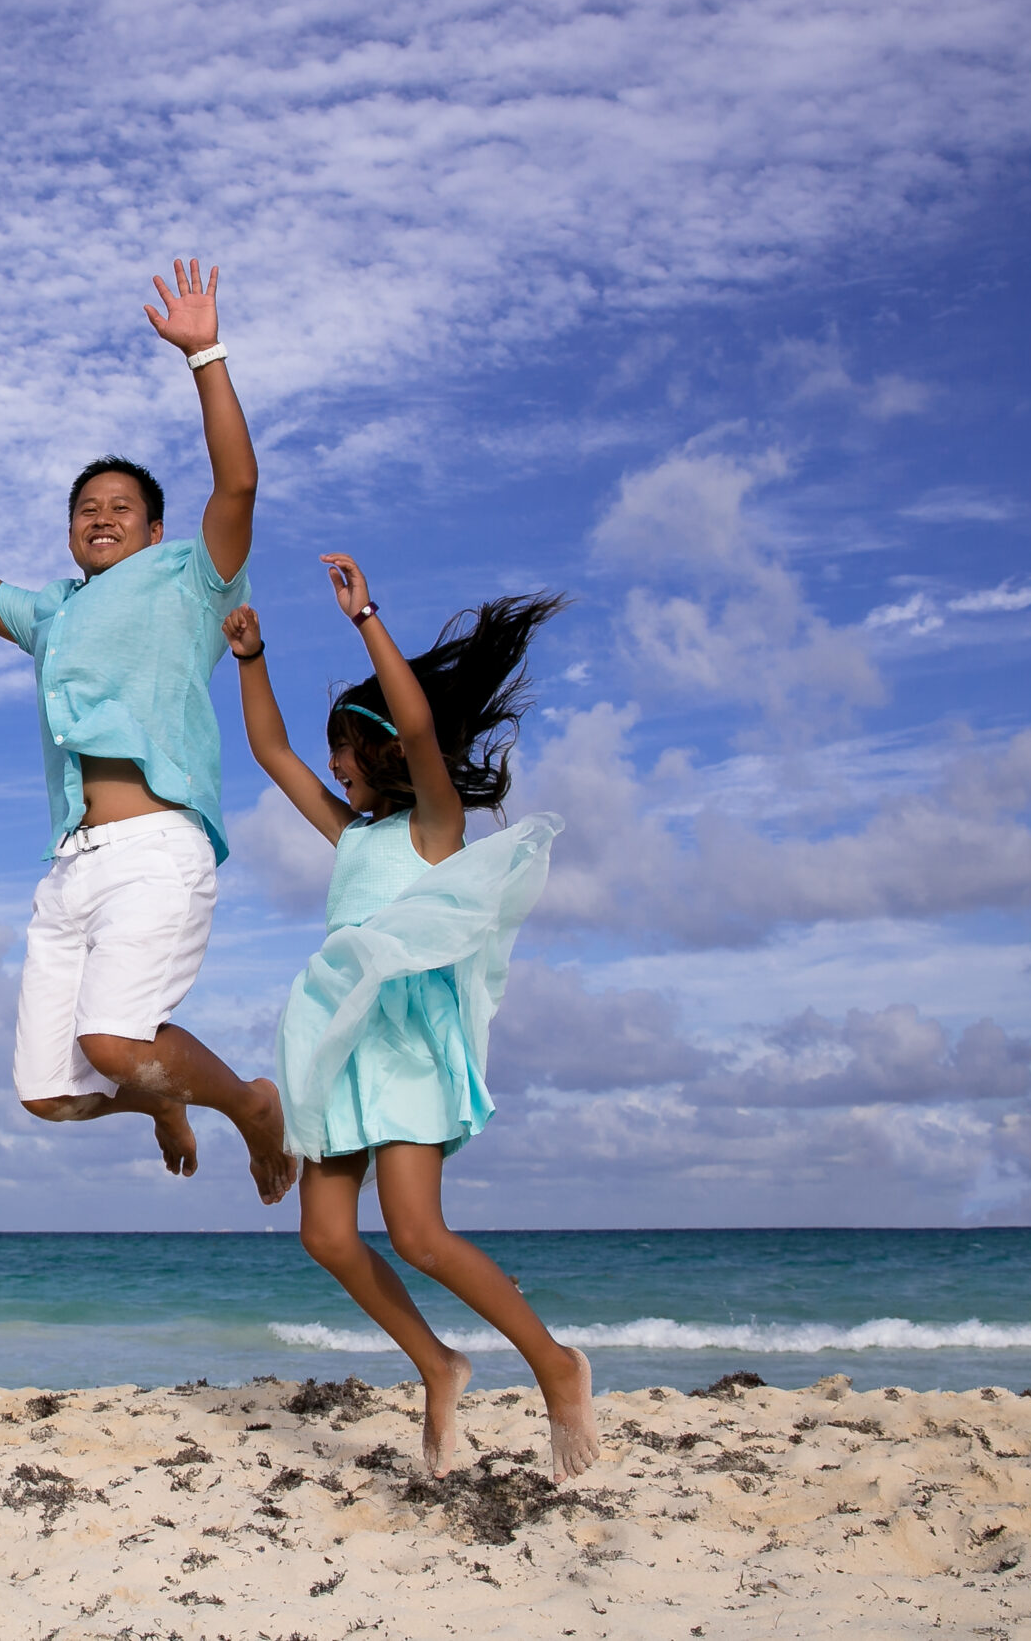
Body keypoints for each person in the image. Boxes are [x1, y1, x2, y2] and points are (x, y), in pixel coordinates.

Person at [0, 260, 293, 1204]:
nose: (102, 516)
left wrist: (207, 356)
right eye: (86, 509)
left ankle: (250, 1105)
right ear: (72, 534)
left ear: (153, 531)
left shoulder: (192, 580)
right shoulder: (54, 612)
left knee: (112, 1042)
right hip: (72, 864)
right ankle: (163, 1099)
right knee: (46, 1093)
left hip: (158, 845)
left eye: (121, 507)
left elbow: (237, 482)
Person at [223, 555, 597, 1480]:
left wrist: (366, 620)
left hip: (405, 1043)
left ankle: (557, 1364)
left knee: (420, 1233)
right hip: (343, 1037)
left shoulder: (435, 823)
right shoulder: (352, 833)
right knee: (326, 1235)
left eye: (342, 749)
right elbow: (271, 753)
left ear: (379, 749)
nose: (333, 765)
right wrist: (252, 657)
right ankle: (440, 1365)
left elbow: (421, 722)